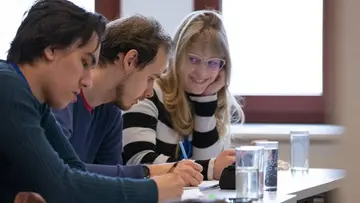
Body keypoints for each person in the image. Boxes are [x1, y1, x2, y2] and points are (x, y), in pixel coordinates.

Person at [0, 0, 184, 202]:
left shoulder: (37, 103)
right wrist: (152, 190)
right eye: (84, 62)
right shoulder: (8, 86)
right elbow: (60, 185)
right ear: (51, 49)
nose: (87, 80)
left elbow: (74, 168)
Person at [52, 15, 204, 186]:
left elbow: (111, 184)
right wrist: (149, 171)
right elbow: (58, 170)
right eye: (150, 78)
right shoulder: (62, 96)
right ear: (130, 60)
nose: (149, 92)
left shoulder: (111, 111)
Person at [122, 10, 243, 181]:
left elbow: (210, 176)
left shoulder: (206, 98)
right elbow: (138, 161)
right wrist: (209, 168)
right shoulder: (148, 92)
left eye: (213, 63)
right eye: (194, 59)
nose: (202, 72)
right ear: (177, 56)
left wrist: (206, 100)